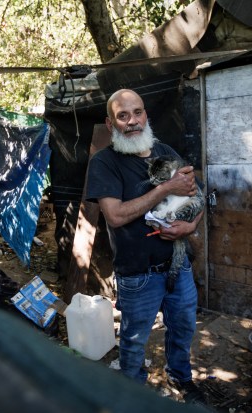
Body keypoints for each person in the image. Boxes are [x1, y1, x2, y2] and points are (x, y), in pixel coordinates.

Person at [85, 89, 205, 404]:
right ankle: (132, 392)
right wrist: (166, 187)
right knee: (134, 341)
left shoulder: (164, 151)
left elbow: (197, 196)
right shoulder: (105, 163)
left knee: (183, 329)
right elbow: (115, 215)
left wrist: (190, 226)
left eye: (137, 113)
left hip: (179, 269)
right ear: (110, 125)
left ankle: (181, 377)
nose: (132, 121)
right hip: (139, 275)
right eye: (122, 116)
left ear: (145, 116)